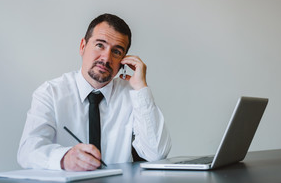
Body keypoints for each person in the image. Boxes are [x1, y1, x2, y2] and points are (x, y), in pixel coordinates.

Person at [17, 13, 172, 171]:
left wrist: (141, 88)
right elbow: (28, 151)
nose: (106, 58)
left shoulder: (132, 95)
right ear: (82, 46)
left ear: (123, 62)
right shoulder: (50, 93)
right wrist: (64, 158)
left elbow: (156, 154)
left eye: (117, 52)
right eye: (100, 45)